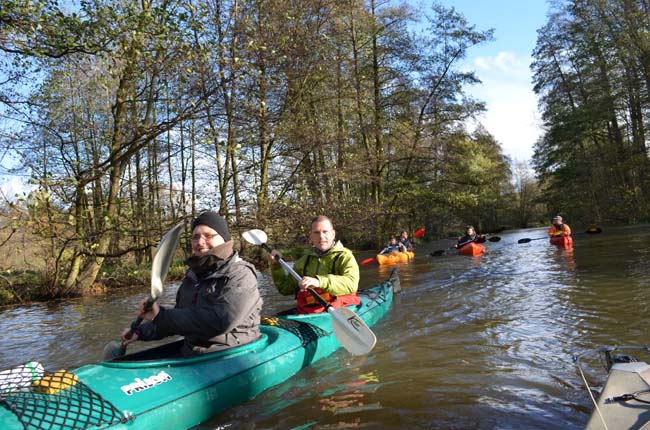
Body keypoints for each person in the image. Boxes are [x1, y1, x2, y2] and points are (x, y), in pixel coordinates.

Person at [121, 211, 262, 356]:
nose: (200, 242)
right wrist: (140, 332)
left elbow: (222, 320)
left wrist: (162, 316)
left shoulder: (241, 274)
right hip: (193, 351)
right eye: (195, 237)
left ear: (224, 239)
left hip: (232, 353)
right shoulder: (193, 276)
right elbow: (181, 318)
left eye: (208, 235)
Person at [269, 215, 360, 314]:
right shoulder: (303, 261)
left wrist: (319, 281)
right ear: (311, 236)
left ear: (333, 234)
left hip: (342, 309)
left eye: (325, 232)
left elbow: (351, 284)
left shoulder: (345, 256)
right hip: (311, 311)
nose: (321, 236)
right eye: (316, 233)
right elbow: (285, 289)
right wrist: (276, 266)